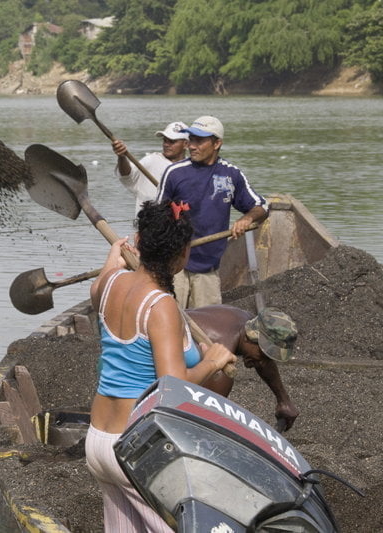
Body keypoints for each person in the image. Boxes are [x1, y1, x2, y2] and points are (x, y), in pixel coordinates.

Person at [85, 200, 237, 532]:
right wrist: (211, 362)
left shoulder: (109, 284)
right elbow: (173, 387)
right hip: (134, 448)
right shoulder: (160, 305)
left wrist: (114, 251)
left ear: (138, 241)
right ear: (183, 254)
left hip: (98, 441)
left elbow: (102, 279)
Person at [156, 115, 268, 308]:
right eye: (191, 140)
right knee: (170, 321)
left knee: (207, 327)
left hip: (208, 267)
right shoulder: (174, 173)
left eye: (199, 141)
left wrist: (246, 219)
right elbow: (155, 218)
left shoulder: (231, 174)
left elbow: (262, 206)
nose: (192, 146)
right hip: (174, 265)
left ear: (217, 143)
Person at [187, 305, 300, 431]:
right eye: (264, 355)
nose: (263, 362)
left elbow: (263, 363)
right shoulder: (220, 371)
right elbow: (200, 422)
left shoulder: (248, 321)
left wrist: (284, 400)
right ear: (250, 337)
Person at [112, 121, 189, 214]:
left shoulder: (191, 168)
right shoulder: (151, 160)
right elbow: (127, 175)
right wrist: (122, 157)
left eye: (172, 141)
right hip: (147, 225)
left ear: (186, 144)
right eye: (165, 140)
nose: (166, 144)